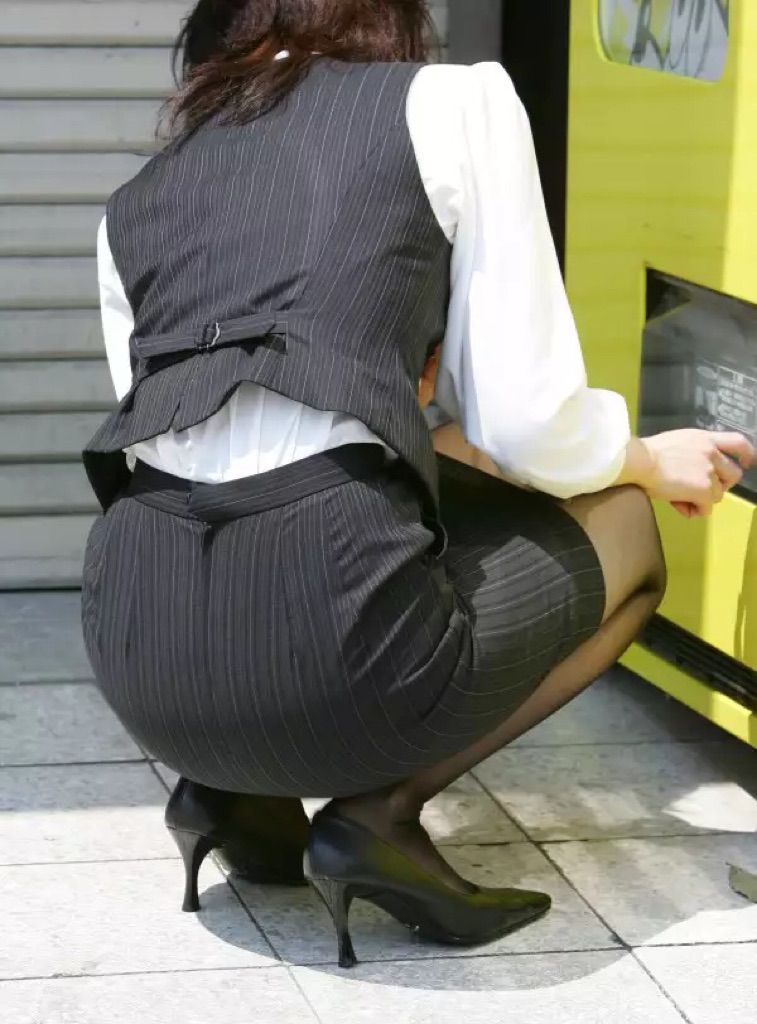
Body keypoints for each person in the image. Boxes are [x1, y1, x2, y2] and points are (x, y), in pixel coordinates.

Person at [80, 0, 755, 970]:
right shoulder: (452, 102)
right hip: (323, 630)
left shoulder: (135, 201)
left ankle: (231, 794)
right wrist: (647, 458)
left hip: (140, 655)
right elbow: (526, 423)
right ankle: (378, 813)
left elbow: (174, 435)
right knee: (624, 528)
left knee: (380, 474)